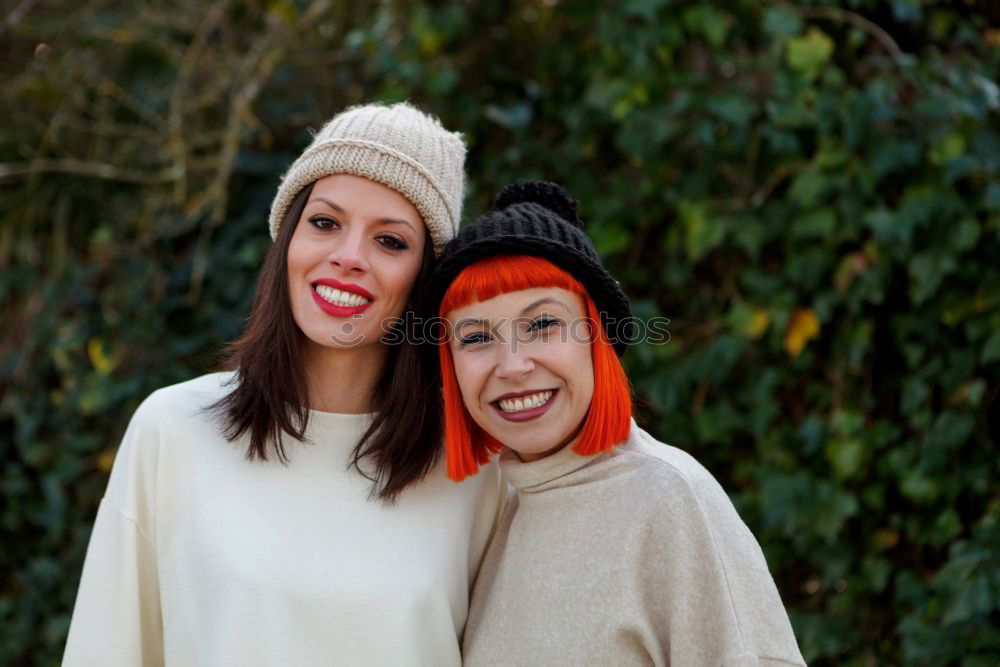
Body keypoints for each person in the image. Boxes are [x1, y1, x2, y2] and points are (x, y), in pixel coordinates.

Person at [63, 103, 504, 667]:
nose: (348, 258)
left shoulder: (476, 460)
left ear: (424, 279)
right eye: (325, 222)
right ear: (288, 239)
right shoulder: (172, 429)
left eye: (390, 241)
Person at [425, 181, 806, 666]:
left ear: (597, 337)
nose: (513, 365)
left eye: (542, 324)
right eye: (476, 337)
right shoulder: (495, 508)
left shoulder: (668, 497)